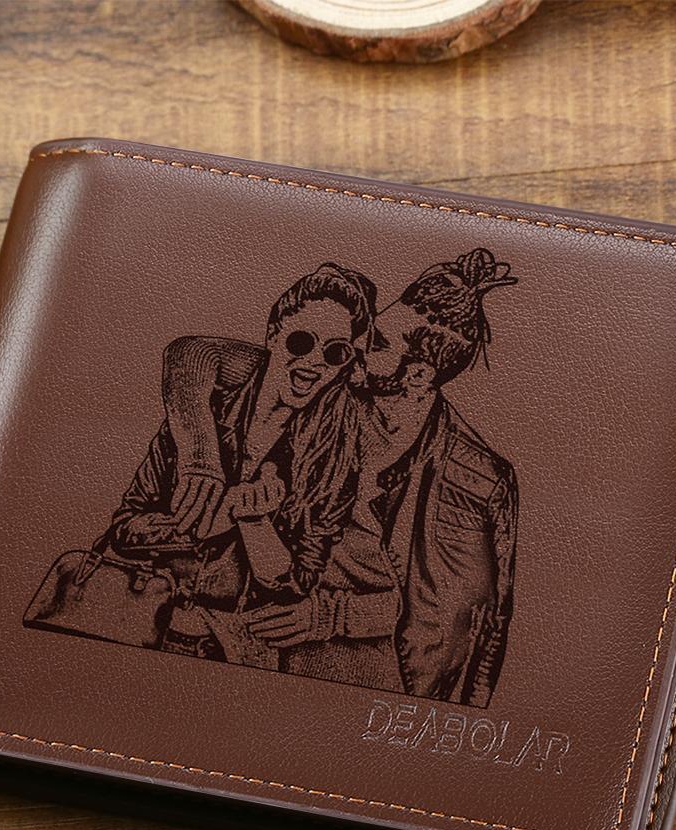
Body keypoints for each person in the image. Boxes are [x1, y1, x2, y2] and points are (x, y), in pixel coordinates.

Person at [246, 248, 519, 707]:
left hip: (380, 688)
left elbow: (455, 620)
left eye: (377, 344)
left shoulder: (474, 477)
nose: (357, 347)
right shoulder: (329, 398)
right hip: (268, 653)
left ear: (417, 376)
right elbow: (203, 357)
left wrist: (331, 617)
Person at [107, 263, 376, 664]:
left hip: (230, 653)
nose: (315, 362)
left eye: (335, 352)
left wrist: (254, 523)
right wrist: (219, 514)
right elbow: (125, 530)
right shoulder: (206, 416)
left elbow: (295, 584)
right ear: (273, 335)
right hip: (139, 628)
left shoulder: (333, 456)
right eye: (302, 342)